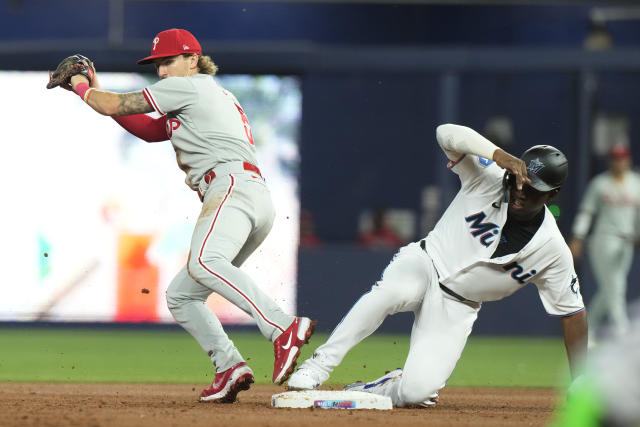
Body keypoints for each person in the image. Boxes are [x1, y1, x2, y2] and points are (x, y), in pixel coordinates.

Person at [52, 28, 315, 402]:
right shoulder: (206, 92)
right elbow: (147, 129)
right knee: (182, 296)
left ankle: (282, 327)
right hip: (250, 195)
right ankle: (229, 365)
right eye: (158, 64)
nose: (162, 71)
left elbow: (113, 105)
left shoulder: (189, 86)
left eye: (169, 61)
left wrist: (82, 87)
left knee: (205, 262)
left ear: (193, 59)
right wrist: (96, 88)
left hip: (230, 188)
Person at [287, 123, 587, 408]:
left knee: (418, 393)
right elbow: (445, 133)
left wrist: (580, 380)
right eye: (519, 178)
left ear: (553, 194)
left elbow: (573, 313)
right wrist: (497, 156)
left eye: (533, 188)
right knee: (387, 294)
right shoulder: (489, 176)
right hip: (425, 263)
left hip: (458, 306)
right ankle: (317, 368)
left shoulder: (553, 250)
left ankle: (386, 386)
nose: (521, 189)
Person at [569, 145, 640, 342]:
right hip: (603, 239)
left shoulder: (636, 183)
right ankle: (623, 331)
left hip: (626, 241)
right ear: (611, 161)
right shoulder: (600, 183)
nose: (620, 162)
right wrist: (578, 237)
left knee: (610, 288)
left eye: (623, 158)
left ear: (628, 160)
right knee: (616, 286)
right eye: (616, 158)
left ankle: (586, 329)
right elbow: (586, 213)